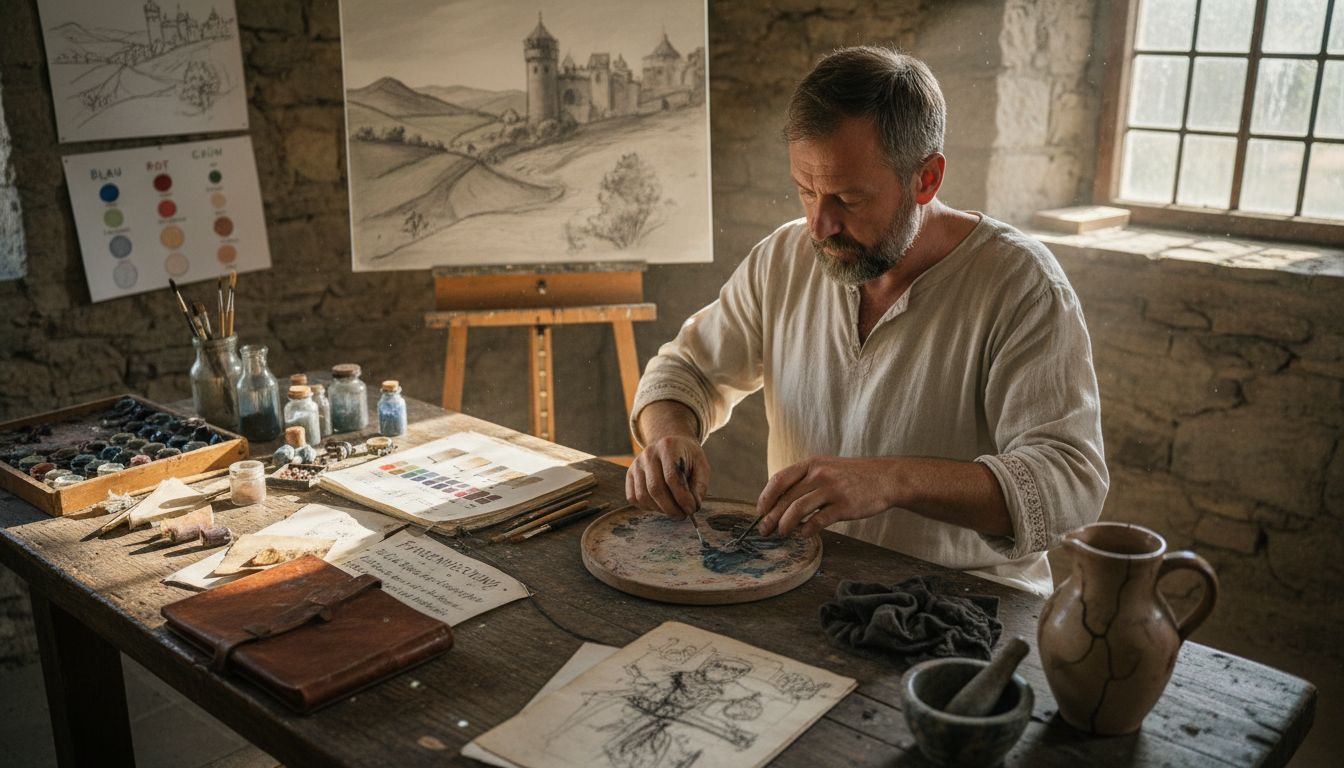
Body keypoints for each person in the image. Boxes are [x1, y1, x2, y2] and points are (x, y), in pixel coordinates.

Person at [623, 46, 1108, 596]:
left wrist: (891, 479)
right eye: (806, 191)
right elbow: (686, 372)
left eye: (849, 198)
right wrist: (669, 437)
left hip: (963, 607)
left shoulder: (1020, 284)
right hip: (807, 588)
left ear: (926, 179)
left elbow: (1069, 485)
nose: (819, 224)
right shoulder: (785, 257)